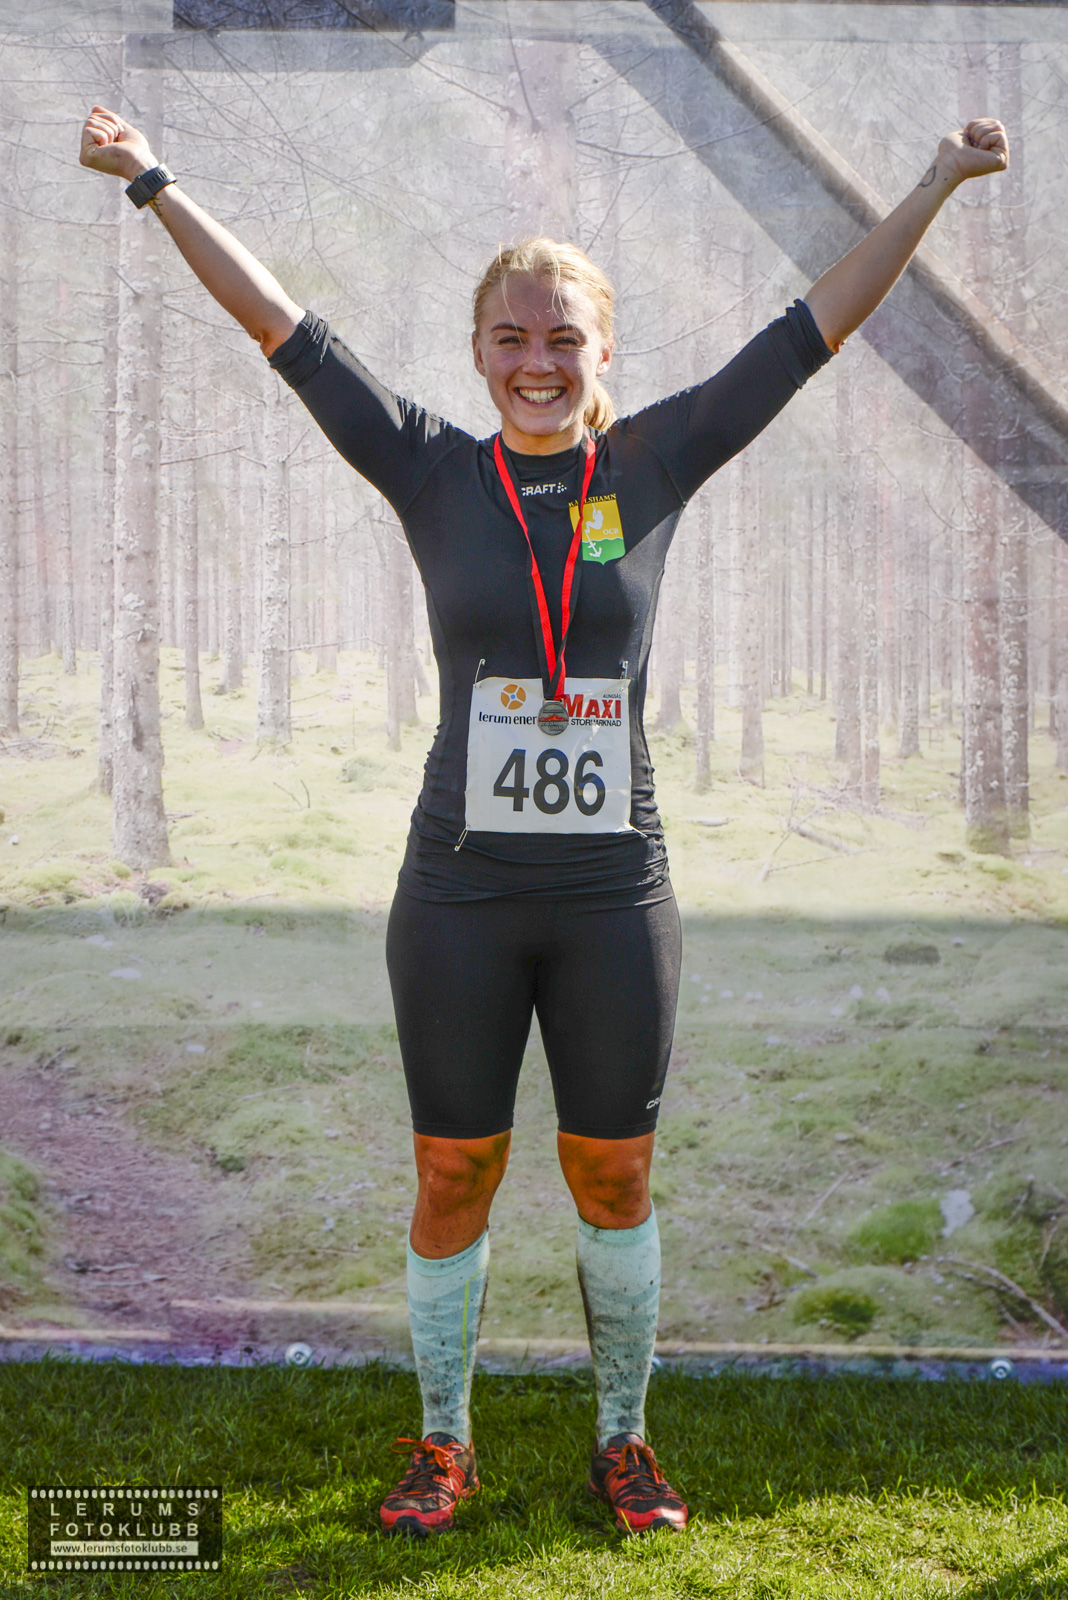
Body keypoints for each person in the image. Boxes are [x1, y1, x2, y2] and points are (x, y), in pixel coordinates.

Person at [80, 103, 1008, 1537]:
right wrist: (152, 179)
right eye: (511, 337)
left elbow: (810, 332)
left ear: (602, 352)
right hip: (459, 889)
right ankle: (442, 1442)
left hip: (611, 893)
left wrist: (936, 180)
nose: (537, 361)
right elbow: (280, 326)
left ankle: (623, 1440)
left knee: (614, 1171)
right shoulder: (429, 467)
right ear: (477, 353)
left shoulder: (656, 462)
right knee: (453, 1169)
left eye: (563, 338)